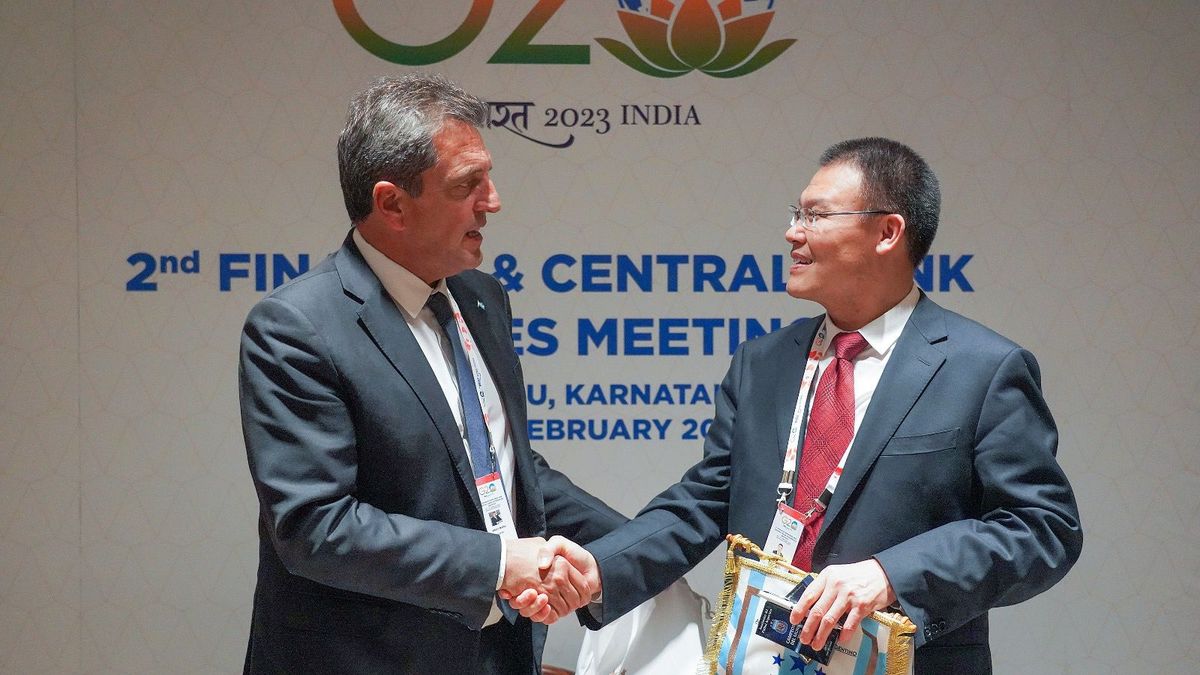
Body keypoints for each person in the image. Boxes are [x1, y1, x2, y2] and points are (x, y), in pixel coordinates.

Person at [518, 137, 1083, 673]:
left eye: (816, 216)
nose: (792, 233)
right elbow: (708, 500)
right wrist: (602, 568)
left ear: (888, 232)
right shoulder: (764, 362)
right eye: (796, 213)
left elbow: (1042, 528)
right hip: (758, 655)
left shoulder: (979, 368)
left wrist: (892, 574)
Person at [238, 73, 624, 674]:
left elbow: (506, 470)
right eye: (468, 185)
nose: (493, 202)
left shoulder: (481, 298)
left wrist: (636, 550)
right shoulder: (298, 327)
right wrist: (497, 564)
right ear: (392, 202)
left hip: (496, 650)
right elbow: (316, 527)